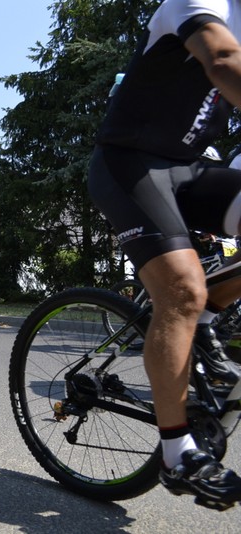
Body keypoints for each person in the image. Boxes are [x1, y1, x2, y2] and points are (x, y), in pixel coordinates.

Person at [87, 0, 241, 507]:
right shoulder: (202, 3)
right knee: (181, 289)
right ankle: (177, 453)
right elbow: (222, 60)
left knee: (196, 300)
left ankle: (206, 323)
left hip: (187, 168)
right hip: (128, 164)